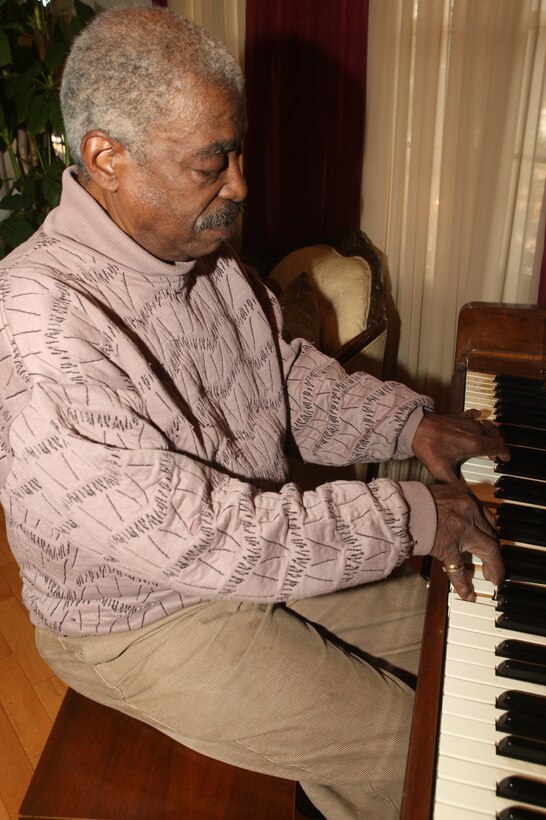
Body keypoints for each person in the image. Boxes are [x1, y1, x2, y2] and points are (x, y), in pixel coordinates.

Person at [0, 8, 508, 819]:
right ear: (107, 159)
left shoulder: (194, 250)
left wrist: (407, 425)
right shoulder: (37, 329)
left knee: (468, 640)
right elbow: (204, 535)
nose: (239, 184)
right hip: (141, 615)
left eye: (236, 151)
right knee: (424, 750)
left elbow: (280, 375)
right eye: (213, 162)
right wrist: (409, 515)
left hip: (255, 536)